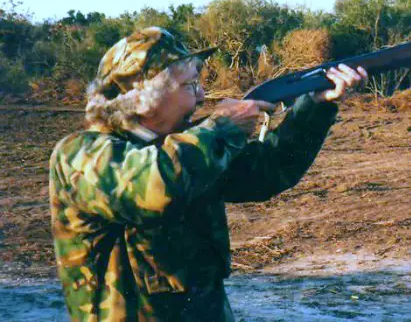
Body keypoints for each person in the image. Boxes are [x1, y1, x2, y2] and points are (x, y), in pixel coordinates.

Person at [48, 26, 368, 321]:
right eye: (190, 85)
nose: (201, 96)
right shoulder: (80, 154)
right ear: (142, 95)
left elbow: (269, 169)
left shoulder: (191, 147)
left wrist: (316, 105)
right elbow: (157, 184)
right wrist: (223, 127)